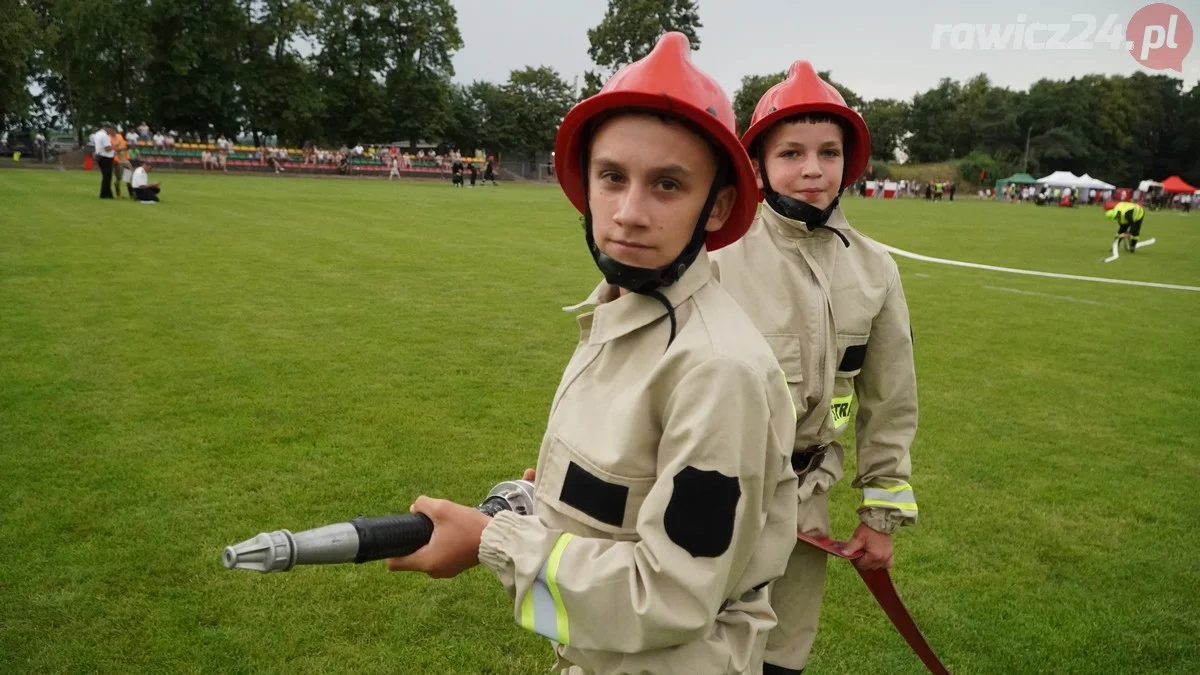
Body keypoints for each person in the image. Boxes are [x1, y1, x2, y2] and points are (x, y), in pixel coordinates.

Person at [385, 32, 799, 674]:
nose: (629, 213)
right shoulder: (620, 312)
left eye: (667, 185)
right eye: (613, 177)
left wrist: (494, 542)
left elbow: (671, 595)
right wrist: (546, 503)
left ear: (716, 207)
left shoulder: (719, 370)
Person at [709, 61, 920, 675]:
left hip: (805, 504)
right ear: (758, 163)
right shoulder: (714, 254)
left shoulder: (876, 270)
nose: (812, 169)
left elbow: (890, 402)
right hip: (711, 495)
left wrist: (880, 517)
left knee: (780, 656)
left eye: (829, 152)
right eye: (792, 152)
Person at [91, 124, 116, 199]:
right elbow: (107, 148)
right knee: (107, 177)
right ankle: (104, 194)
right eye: (110, 129)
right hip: (106, 157)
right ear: (107, 128)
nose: (111, 131)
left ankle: (108, 193)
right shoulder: (105, 136)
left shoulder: (97, 134)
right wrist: (115, 147)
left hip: (99, 156)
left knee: (106, 176)